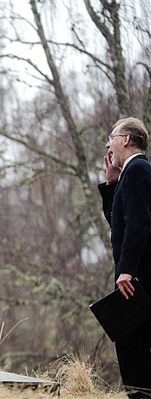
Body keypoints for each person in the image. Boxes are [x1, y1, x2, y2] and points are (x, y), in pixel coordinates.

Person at [98, 117, 151, 398]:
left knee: (133, 347)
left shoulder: (139, 169)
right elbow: (118, 225)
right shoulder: (128, 174)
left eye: (111, 137)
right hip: (133, 276)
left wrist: (127, 270)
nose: (108, 143)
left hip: (138, 278)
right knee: (130, 346)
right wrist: (111, 187)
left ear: (126, 139)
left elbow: (140, 224)